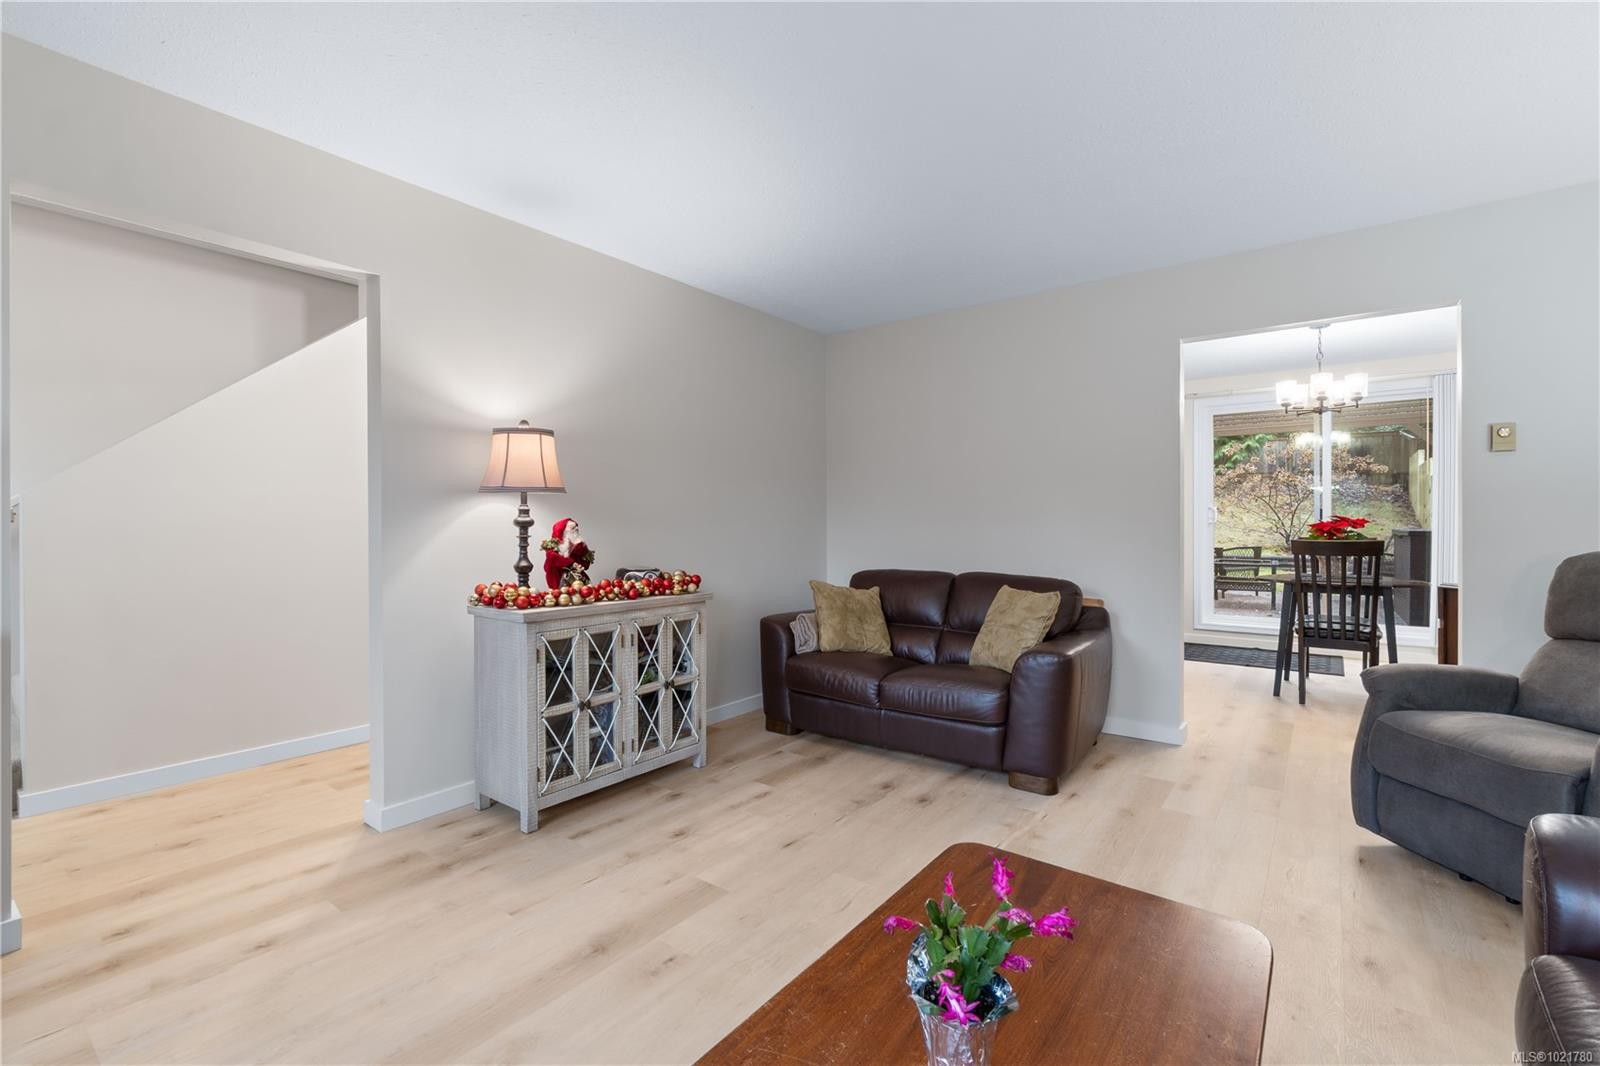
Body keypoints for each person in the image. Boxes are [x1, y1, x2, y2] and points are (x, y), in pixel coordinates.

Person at [540, 517, 595, 590]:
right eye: (572, 528)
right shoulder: (555, 547)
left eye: (576, 527)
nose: (576, 529)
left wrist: (580, 549)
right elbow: (552, 557)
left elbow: (585, 565)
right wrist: (571, 563)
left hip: (578, 582)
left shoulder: (579, 547)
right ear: (564, 532)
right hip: (558, 581)